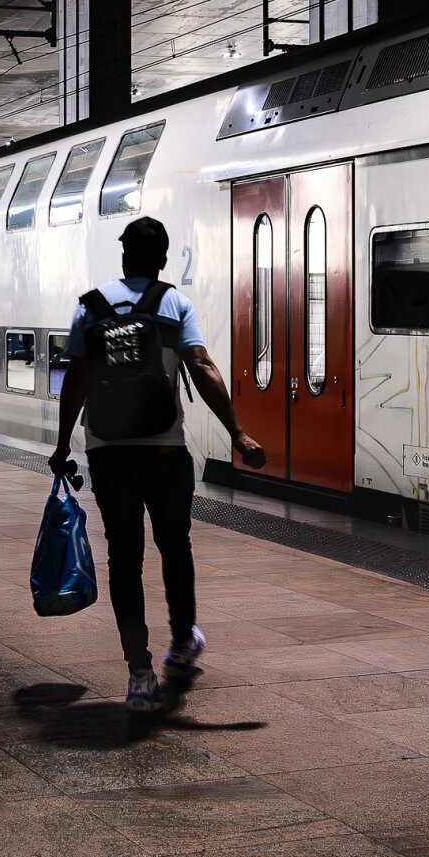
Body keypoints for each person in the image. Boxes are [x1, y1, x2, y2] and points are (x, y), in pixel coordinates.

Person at [49, 216, 265, 713]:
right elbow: (202, 367)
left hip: (108, 454)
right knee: (175, 548)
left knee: (124, 560)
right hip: (164, 454)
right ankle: (182, 644)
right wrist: (237, 433)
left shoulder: (90, 307)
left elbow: (76, 382)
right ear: (164, 257)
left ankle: (139, 673)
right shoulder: (174, 303)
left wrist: (63, 444)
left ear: (124, 254)